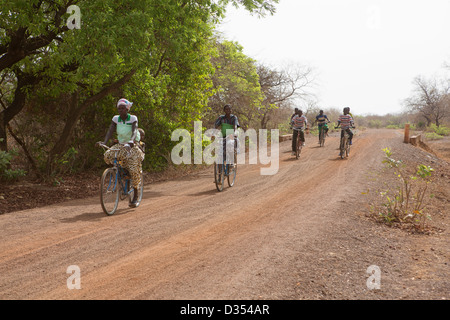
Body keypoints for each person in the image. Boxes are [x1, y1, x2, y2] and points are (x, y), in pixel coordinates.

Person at [96, 98, 145, 207]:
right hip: (121, 144)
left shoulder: (132, 118)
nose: (120, 111)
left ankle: (136, 195)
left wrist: (131, 141)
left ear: (127, 109)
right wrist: (104, 142)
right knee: (107, 155)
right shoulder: (115, 119)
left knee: (133, 168)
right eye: (119, 109)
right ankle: (121, 171)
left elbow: (134, 131)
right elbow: (110, 130)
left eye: (123, 108)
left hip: (132, 144)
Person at [214, 104, 240, 174]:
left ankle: (232, 162)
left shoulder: (234, 117)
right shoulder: (221, 118)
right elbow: (216, 125)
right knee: (219, 152)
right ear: (224, 110)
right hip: (223, 135)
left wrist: (233, 133)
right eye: (226, 109)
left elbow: (235, 126)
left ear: (231, 110)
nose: (228, 111)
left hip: (231, 134)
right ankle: (220, 173)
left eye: (229, 109)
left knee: (230, 144)